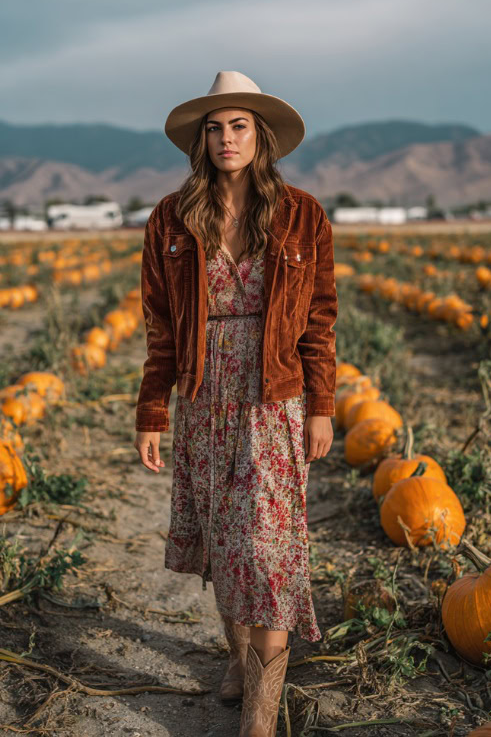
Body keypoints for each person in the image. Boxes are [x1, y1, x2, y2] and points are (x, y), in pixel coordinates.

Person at [134, 70, 338, 737]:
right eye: (215, 128)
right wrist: (152, 412)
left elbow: (319, 320)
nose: (227, 138)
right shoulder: (171, 217)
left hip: (273, 397)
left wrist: (322, 405)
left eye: (239, 125)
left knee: (270, 547)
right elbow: (160, 325)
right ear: (202, 140)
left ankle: (260, 712)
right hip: (202, 397)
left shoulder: (302, 214)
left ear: (261, 136)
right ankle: (239, 659)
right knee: (226, 542)